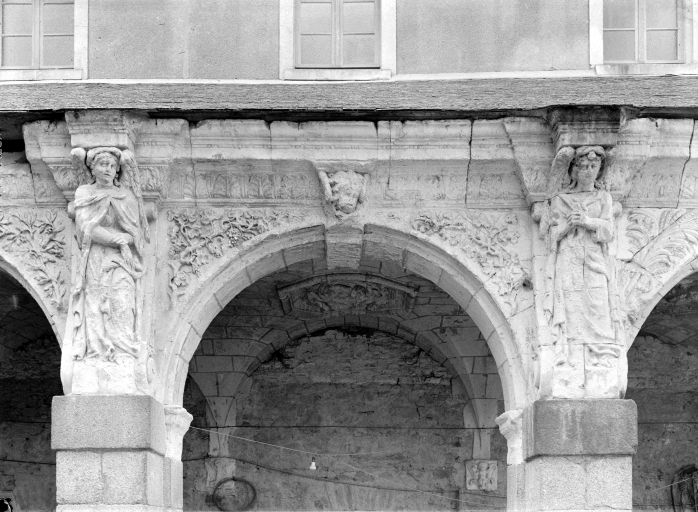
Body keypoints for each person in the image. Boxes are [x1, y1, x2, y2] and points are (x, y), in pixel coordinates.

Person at [69, 147, 150, 362]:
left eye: (113, 166)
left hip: (123, 260)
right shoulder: (84, 193)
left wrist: (126, 239)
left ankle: (124, 349)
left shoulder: (126, 196)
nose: (109, 169)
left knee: (123, 299)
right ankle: (99, 351)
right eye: (103, 164)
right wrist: (117, 239)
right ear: (92, 168)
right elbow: (86, 227)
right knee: (95, 300)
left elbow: (136, 233)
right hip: (96, 256)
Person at [543, 146, 620, 364]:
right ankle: (573, 353)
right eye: (584, 166)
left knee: (598, 302)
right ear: (574, 170)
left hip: (595, 258)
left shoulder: (603, 197)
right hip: (569, 257)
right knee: (571, 305)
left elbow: (609, 231)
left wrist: (587, 221)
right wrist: (568, 225)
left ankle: (601, 352)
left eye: (594, 166)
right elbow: (551, 236)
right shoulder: (561, 200)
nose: (589, 171)